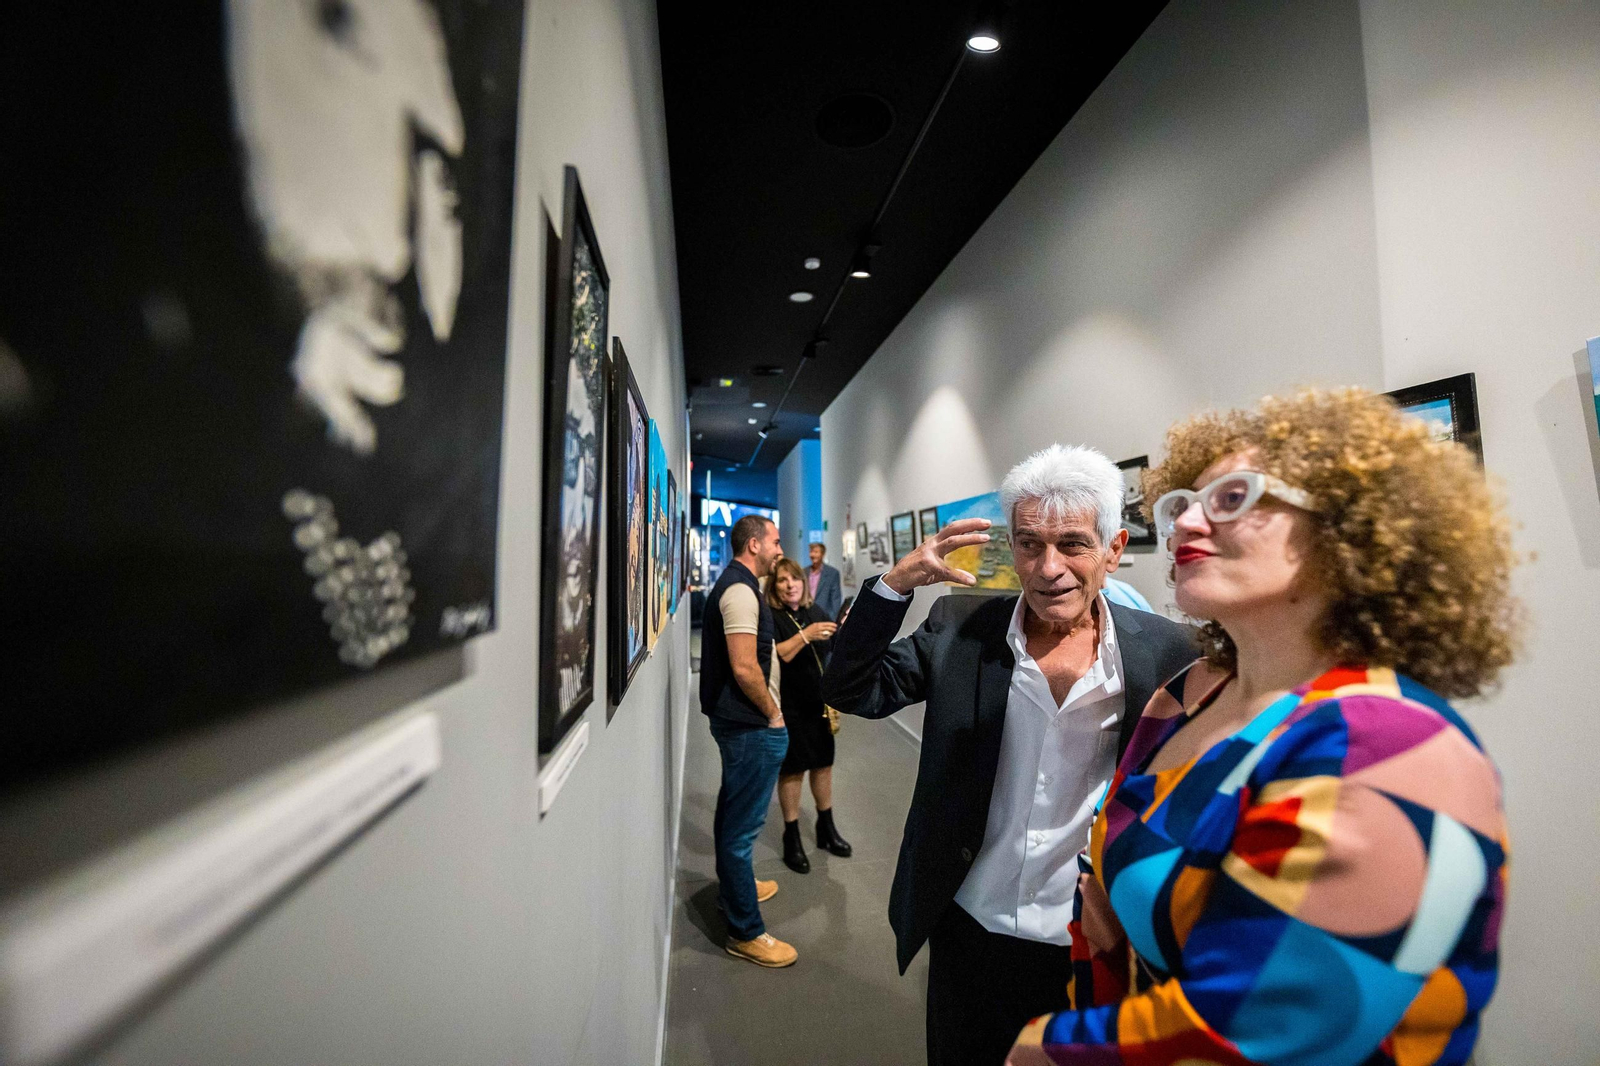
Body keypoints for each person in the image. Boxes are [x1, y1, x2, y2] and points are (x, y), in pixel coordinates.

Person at [1007, 388, 1516, 1066]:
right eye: (1184, 501)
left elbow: (1254, 1034)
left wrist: (1037, 1050)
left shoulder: (1385, 745)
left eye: (1233, 497)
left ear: (1345, 529)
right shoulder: (1188, 694)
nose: (1186, 520)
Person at [821, 444, 1199, 1066]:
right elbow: (850, 688)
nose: (1048, 568)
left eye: (1073, 544)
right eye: (1029, 544)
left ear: (1114, 547)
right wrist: (892, 586)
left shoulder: (1165, 651)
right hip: (970, 921)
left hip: (1093, 934)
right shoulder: (961, 628)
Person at [699, 513, 797, 968]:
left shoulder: (742, 587)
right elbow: (743, 667)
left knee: (732, 813)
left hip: (740, 724)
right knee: (741, 831)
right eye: (774, 541)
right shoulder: (740, 591)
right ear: (754, 544)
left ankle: (734, 887)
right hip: (750, 726)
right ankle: (745, 930)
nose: (780, 549)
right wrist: (773, 714)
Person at [766, 557, 847, 874]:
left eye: (795, 579)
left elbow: (833, 644)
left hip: (819, 702)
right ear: (774, 587)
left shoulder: (814, 611)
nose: (790, 586)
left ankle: (826, 829)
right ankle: (792, 837)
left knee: (824, 765)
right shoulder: (772, 616)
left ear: (804, 582)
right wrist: (806, 635)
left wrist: (843, 627)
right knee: (793, 771)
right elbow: (776, 654)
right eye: (783, 581)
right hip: (789, 706)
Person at [807, 541, 844, 621]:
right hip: (806, 617)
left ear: (822, 554)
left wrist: (832, 619)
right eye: (811, 552)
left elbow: (836, 599)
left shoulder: (832, 573)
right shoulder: (804, 572)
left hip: (824, 617)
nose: (813, 555)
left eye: (816, 552)